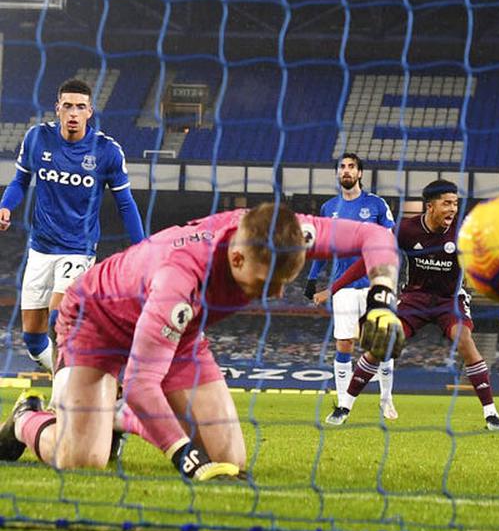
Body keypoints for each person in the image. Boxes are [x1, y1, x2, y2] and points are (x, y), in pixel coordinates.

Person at [0, 203, 402, 480]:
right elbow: (141, 383)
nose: (277, 294)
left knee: (229, 460)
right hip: (97, 323)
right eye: (269, 283)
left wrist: (382, 300)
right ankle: (26, 419)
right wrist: (183, 457)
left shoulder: (280, 234)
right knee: (83, 460)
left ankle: (118, 416)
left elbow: (375, 234)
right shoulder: (180, 275)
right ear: (239, 260)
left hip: (178, 332)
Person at [327, 180, 499, 431]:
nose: (452, 209)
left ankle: (491, 415)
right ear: (430, 206)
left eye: (455, 203)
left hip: (449, 300)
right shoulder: (406, 230)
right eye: (447, 203)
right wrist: (334, 287)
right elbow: (372, 255)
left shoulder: (465, 232)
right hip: (415, 299)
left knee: (464, 340)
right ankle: (344, 406)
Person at [0, 79, 145, 372]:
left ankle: (76, 388)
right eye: (67, 106)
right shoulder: (36, 138)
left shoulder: (107, 151)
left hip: (78, 249)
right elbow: (20, 181)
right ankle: (64, 379)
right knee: (32, 339)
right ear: (58, 109)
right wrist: (5, 205)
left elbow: (126, 204)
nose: (73, 113)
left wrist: (144, 247)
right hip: (40, 249)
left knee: (58, 318)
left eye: (80, 107)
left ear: (90, 111)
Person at [305, 153, 396, 419]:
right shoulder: (328, 208)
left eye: (351, 167)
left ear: (360, 173)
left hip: (374, 284)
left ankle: (386, 399)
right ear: (337, 174)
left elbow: (389, 241)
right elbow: (322, 249)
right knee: (344, 344)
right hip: (342, 286)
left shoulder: (377, 205)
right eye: (342, 167)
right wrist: (312, 278)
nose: (346, 171)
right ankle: (344, 404)